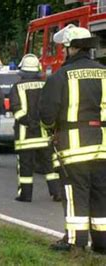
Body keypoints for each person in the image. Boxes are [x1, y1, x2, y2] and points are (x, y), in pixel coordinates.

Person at [39, 24, 106, 253]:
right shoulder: (104, 72)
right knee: (101, 193)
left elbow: (47, 115)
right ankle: (102, 242)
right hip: (103, 145)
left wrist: (51, 130)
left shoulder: (60, 77)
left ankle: (75, 242)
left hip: (74, 148)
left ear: (70, 48)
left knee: (75, 193)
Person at [9, 54, 61, 202]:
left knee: (25, 167)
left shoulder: (16, 87)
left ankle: (25, 195)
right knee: (50, 166)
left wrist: (29, 123)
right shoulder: (45, 85)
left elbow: (16, 109)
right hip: (44, 135)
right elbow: (50, 108)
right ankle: (56, 193)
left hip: (25, 136)